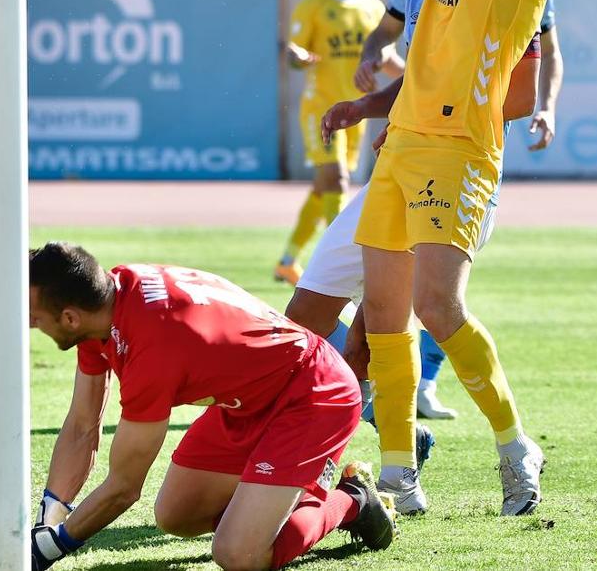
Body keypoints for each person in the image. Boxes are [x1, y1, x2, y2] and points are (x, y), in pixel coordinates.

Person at [286, 0, 564, 424]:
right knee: (310, 315)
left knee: (420, 310)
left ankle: (448, 432)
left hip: (453, 165)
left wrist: (431, 119)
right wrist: (367, 104)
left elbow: (525, 83)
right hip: (395, 164)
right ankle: (366, 421)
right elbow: (412, 68)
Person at [358, 0, 559, 516]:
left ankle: (513, 445)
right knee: (384, 311)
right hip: (404, 140)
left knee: (436, 305)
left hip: (461, 145)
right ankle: (397, 471)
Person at [26, 242, 396, 571]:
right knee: (177, 515)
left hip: (313, 395)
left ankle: (351, 501)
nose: (28, 323)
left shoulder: (151, 349)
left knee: (239, 555)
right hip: (249, 400)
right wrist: (51, 513)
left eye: (34, 316)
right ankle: (273, 500)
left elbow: (124, 487)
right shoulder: (106, 300)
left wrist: (47, 548)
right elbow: (81, 424)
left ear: (70, 317)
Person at [274, 0, 386, 286]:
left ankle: (289, 260)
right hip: (321, 109)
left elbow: (388, 58)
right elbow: (293, 54)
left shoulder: (374, 9)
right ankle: (341, 265)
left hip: (357, 110)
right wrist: (297, 57)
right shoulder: (314, 7)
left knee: (326, 186)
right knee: (336, 178)